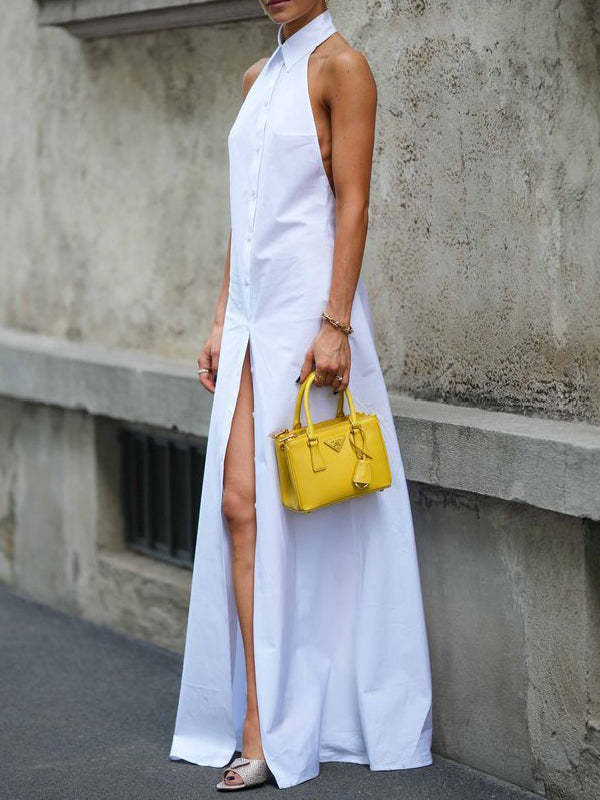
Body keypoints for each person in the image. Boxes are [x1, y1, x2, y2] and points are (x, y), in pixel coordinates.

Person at [169, 0, 433, 791]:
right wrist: (221, 318)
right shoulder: (259, 76)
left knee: (314, 518)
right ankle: (259, 719)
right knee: (240, 507)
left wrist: (336, 324)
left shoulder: (342, 66)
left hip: (311, 319)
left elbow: (353, 201)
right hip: (253, 320)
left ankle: (312, 714)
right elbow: (243, 215)